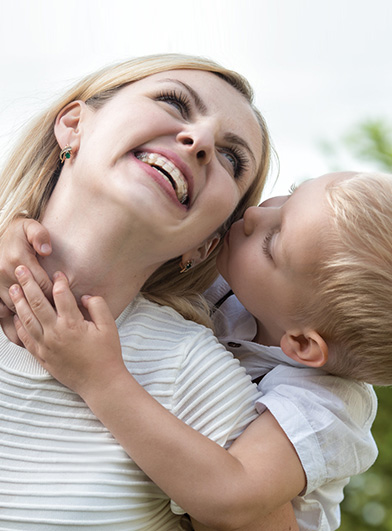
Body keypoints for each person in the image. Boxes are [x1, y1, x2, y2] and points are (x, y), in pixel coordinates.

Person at [0, 53, 302, 531]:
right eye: (174, 103)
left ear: (207, 244)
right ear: (74, 125)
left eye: (231, 158)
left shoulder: (196, 375)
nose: (199, 140)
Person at [3, 172, 382, 529]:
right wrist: (20, 233)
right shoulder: (242, 289)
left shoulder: (330, 404)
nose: (253, 215)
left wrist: (100, 378)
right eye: (294, 192)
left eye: (273, 242)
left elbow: (229, 498)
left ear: (301, 344)